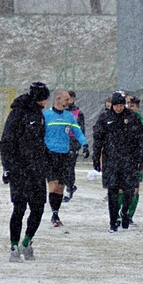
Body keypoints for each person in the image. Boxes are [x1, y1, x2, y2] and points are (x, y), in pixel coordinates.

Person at [1, 82, 50, 261]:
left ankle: (27, 242)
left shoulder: (40, 114)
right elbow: (6, 141)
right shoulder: (18, 113)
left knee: (38, 207)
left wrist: (46, 161)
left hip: (37, 170)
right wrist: (7, 167)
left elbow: (38, 143)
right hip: (19, 169)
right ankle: (14, 246)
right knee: (19, 208)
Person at [90, 91, 143, 232]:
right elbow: (98, 140)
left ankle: (125, 212)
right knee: (112, 190)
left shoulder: (132, 117)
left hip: (129, 159)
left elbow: (141, 139)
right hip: (111, 159)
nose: (119, 108)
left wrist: (141, 158)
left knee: (129, 190)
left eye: (121, 105)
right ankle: (112, 221)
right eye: (116, 105)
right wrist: (96, 158)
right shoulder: (105, 118)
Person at [43, 89, 87, 227]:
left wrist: (85, 144)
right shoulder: (46, 115)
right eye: (66, 99)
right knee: (53, 184)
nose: (69, 102)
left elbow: (77, 132)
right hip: (50, 155)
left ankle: (56, 212)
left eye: (69, 100)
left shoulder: (69, 117)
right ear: (58, 99)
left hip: (64, 155)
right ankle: (54, 213)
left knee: (60, 187)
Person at [124, 94, 143, 224]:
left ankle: (130, 215)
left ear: (138, 107)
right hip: (123, 159)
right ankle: (120, 213)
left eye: (133, 106)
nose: (130, 108)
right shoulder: (121, 120)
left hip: (136, 160)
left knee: (135, 188)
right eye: (129, 105)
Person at [63, 90, 86, 202]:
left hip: (72, 143)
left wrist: (79, 144)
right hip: (61, 142)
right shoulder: (60, 111)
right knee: (62, 167)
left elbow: (81, 130)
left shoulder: (78, 113)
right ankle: (68, 186)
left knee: (70, 167)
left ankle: (69, 188)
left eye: (69, 99)